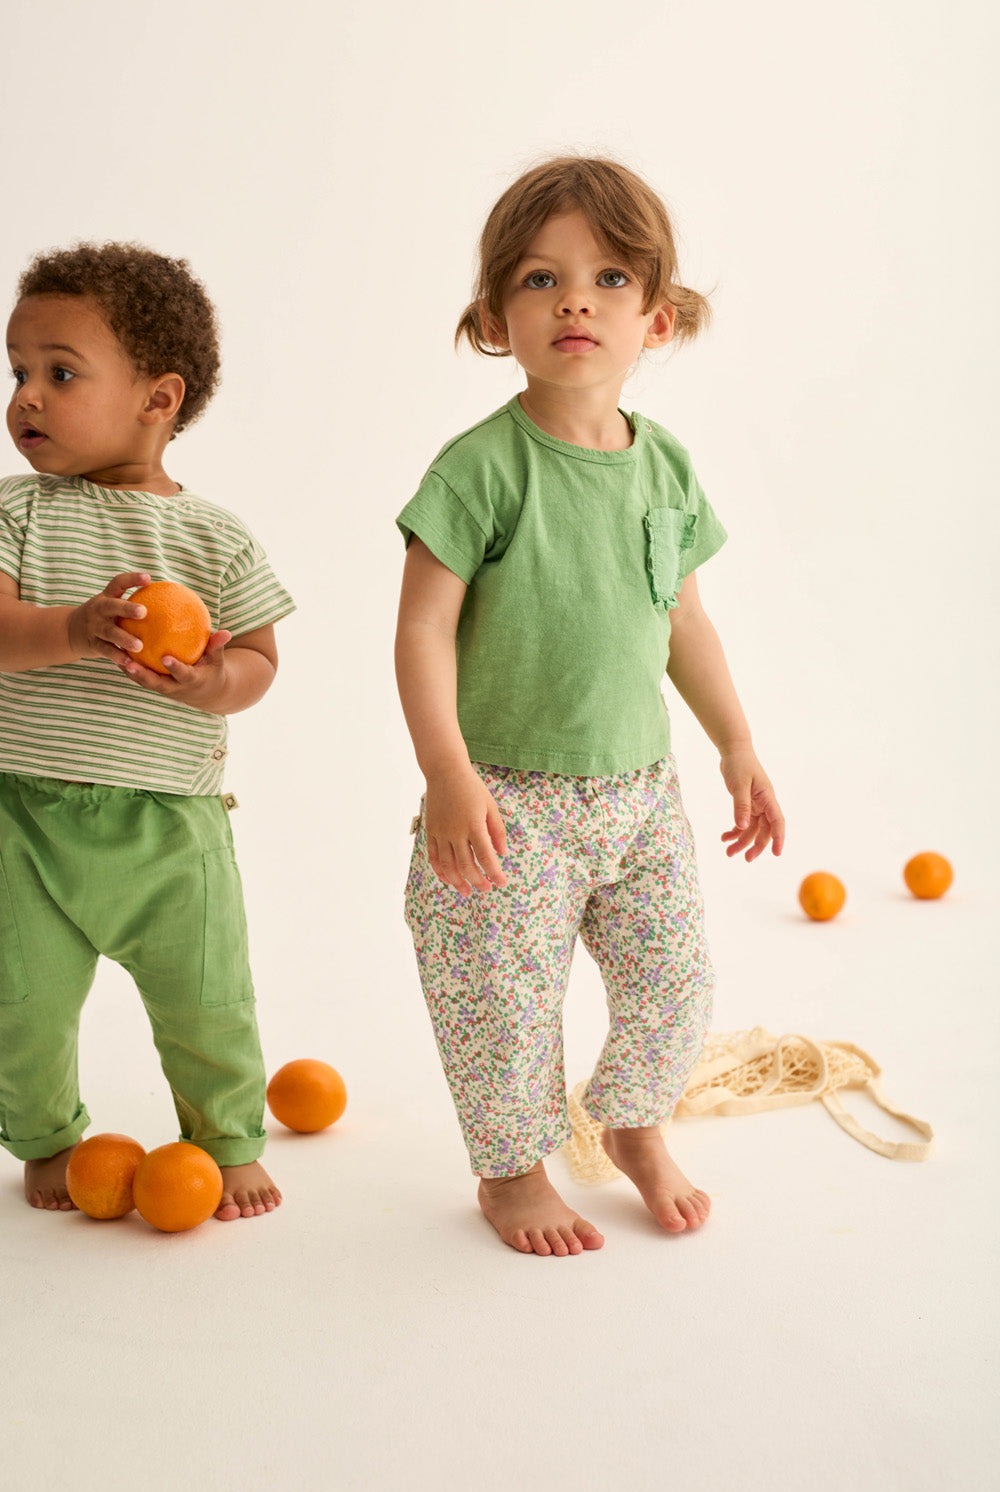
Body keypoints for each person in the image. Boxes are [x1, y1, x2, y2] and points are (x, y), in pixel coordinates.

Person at [395, 156, 785, 1256]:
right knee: (499, 998)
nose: (576, 299)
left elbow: (682, 622)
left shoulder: (664, 468)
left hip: (638, 791)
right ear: (491, 320)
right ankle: (513, 1170)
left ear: (656, 319)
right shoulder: (481, 469)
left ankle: (632, 1122)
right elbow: (421, 627)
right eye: (539, 278)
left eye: (610, 277)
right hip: (503, 800)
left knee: (676, 976)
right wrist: (447, 775)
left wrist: (737, 744)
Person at [0, 243, 294, 1220]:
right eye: (18, 372)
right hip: (23, 818)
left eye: (60, 372)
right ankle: (45, 1141)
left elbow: (257, 658)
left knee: (208, 998)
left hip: (172, 827)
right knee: (21, 1005)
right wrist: (75, 627)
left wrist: (215, 678)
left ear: (156, 399)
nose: (26, 397)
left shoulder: (214, 538)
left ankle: (226, 1138)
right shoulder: (14, 513)